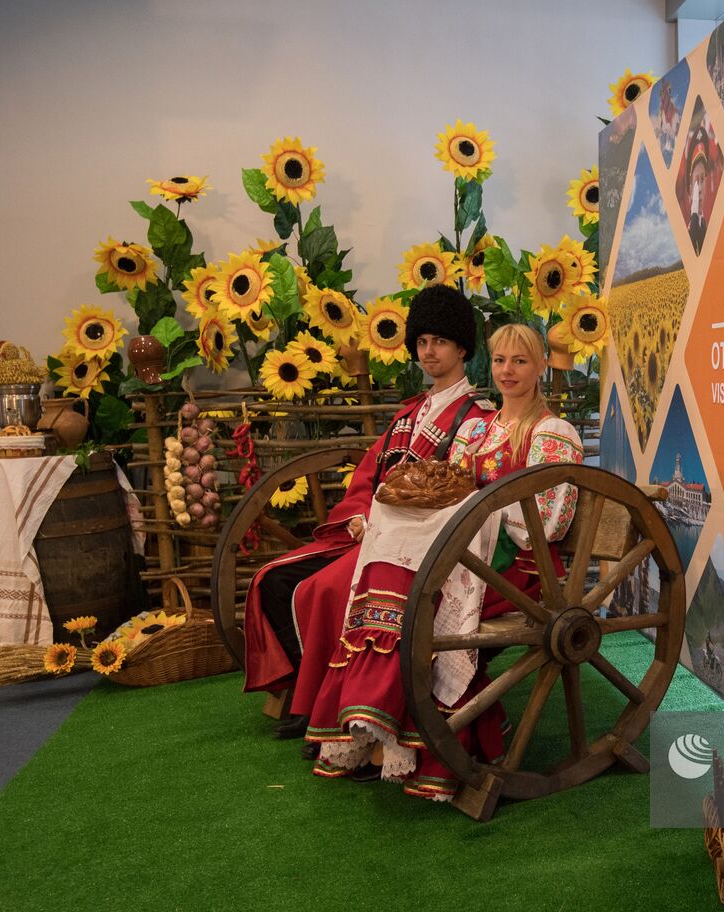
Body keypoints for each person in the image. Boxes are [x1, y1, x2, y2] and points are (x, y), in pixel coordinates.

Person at [304, 323, 584, 800]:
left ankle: (409, 733)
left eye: (520, 360)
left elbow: (549, 523)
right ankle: (378, 725)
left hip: (519, 570)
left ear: (540, 367)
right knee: (391, 574)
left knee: (418, 595)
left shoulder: (552, 433)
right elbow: (447, 488)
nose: (508, 371)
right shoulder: (479, 428)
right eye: (500, 360)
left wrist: (479, 511)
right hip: (466, 553)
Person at [242, 285, 492, 741]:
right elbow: (368, 478)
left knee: (318, 588)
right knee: (275, 579)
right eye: (421, 342)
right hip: (369, 533)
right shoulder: (408, 415)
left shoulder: (475, 418)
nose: (429, 352)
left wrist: (381, 524)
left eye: (439, 341)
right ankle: (306, 689)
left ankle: (319, 704)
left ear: (461, 347)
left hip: (415, 543)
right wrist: (358, 517)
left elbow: (456, 490)